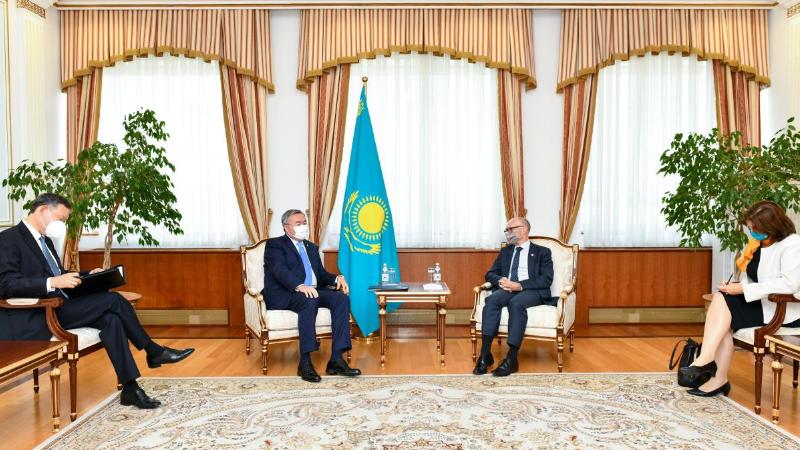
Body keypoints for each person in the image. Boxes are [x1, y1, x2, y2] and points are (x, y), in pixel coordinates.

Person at [0, 193, 194, 409]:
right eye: (61, 219)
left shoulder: (45, 241)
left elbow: (60, 273)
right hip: (39, 314)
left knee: (112, 320)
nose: (62, 225)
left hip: (61, 306)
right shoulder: (8, 239)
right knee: (113, 300)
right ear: (44, 210)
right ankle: (153, 351)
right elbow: (6, 284)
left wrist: (87, 274)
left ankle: (131, 389)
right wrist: (52, 282)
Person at [680, 201, 800, 396]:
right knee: (721, 299)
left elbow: (789, 284)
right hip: (761, 302)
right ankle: (712, 369)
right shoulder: (760, 244)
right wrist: (735, 286)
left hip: (781, 309)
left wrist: (743, 289)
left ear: (771, 226)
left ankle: (712, 370)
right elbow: (752, 277)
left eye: (755, 229)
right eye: (751, 229)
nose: (752, 233)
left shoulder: (792, 244)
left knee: (723, 309)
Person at [263, 209, 360, 382]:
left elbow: (320, 274)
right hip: (287, 293)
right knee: (310, 300)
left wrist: (337, 278)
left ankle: (336, 359)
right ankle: (305, 363)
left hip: (313, 290)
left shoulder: (311, 247)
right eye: (298, 224)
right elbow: (279, 271)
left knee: (341, 299)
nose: (303, 227)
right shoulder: (275, 245)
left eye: (304, 223)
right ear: (286, 227)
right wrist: (299, 286)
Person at [473, 217, 557, 377]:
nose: (507, 232)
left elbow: (546, 279)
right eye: (506, 230)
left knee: (516, 303)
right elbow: (490, 273)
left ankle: (512, 358)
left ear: (524, 229)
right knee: (492, 300)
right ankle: (485, 354)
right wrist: (501, 281)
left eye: (510, 229)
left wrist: (520, 285)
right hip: (508, 287)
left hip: (532, 290)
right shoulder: (506, 251)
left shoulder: (543, 252)